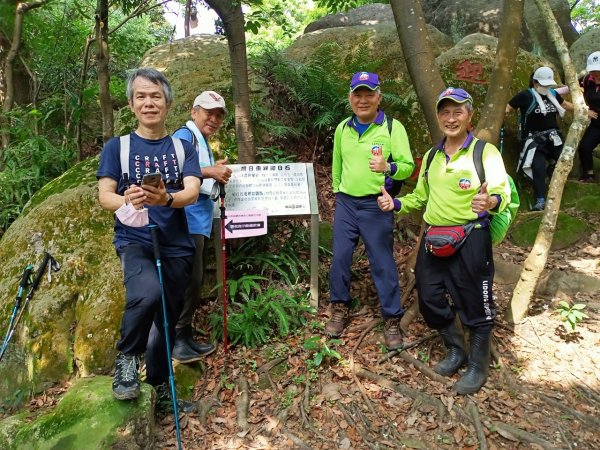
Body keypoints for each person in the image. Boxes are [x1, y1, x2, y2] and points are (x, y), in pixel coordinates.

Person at [378, 87, 510, 394]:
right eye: (445, 112)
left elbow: (501, 192)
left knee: (476, 301)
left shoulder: (484, 152)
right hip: (435, 238)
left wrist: (489, 202)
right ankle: (455, 348)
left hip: (472, 237)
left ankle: (477, 365)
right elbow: (421, 197)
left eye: (457, 112)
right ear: (438, 116)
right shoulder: (432, 156)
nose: (451, 118)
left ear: (469, 115)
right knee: (429, 296)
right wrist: (395, 204)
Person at [97, 68, 202, 400]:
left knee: (167, 320)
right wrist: (129, 197)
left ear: (167, 104)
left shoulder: (183, 148)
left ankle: (158, 385)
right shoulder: (119, 147)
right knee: (146, 293)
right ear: (131, 104)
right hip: (135, 240)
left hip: (176, 243)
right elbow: (105, 196)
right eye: (141, 96)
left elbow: (192, 193)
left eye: (155, 96)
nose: (149, 102)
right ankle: (127, 358)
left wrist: (166, 198)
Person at [326, 71, 415, 350]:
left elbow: (409, 166)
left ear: (378, 96)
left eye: (368, 94)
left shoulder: (392, 128)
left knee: (382, 261)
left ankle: (391, 318)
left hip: (376, 204)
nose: (363, 100)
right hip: (347, 203)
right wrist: (338, 190)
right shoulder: (343, 128)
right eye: (357, 94)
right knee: (340, 256)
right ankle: (339, 306)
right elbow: (337, 165)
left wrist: (388, 167)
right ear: (350, 97)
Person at [170, 91, 232, 362]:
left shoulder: (201, 140)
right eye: (209, 112)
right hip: (186, 219)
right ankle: (176, 339)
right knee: (188, 280)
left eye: (219, 114)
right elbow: (175, 169)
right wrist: (210, 171)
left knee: (193, 281)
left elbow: (195, 168)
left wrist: (211, 167)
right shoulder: (185, 135)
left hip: (198, 220)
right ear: (194, 111)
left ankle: (184, 337)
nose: (214, 118)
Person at [506, 66, 573, 211]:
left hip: (553, 137)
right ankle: (540, 199)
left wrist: (584, 109)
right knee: (538, 167)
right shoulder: (525, 96)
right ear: (535, 82)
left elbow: (565, 105)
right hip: (534, 141)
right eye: (543, 85)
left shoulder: (553, 93)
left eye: (548, 85)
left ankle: (551, 175)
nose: (546, 87)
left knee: (566, 160)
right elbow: (508, 107)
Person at [577, 51, 600, 183]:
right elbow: (572, 88)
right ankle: (589, 174)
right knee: (585, 147)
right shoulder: (586, 80)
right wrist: (586, 110)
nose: (596, 73)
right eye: (593, 70)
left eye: (598, 70)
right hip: (596, 122)